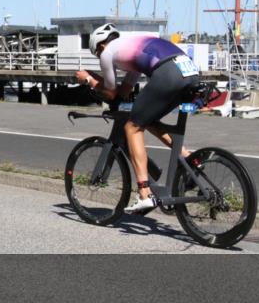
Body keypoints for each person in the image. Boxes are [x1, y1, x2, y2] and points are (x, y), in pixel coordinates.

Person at [75, 23, 201, 214]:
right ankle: (188, 157)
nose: (100, 57)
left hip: (169, 74)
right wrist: (117, 97)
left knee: (132, 127)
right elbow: (123, 92)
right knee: (145, 118)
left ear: (100, 46)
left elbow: (110, 92)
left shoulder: (107, 53)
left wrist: (88, 79)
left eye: (97, 54)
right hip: (189, 71)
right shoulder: (131, 48)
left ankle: (144, 193)